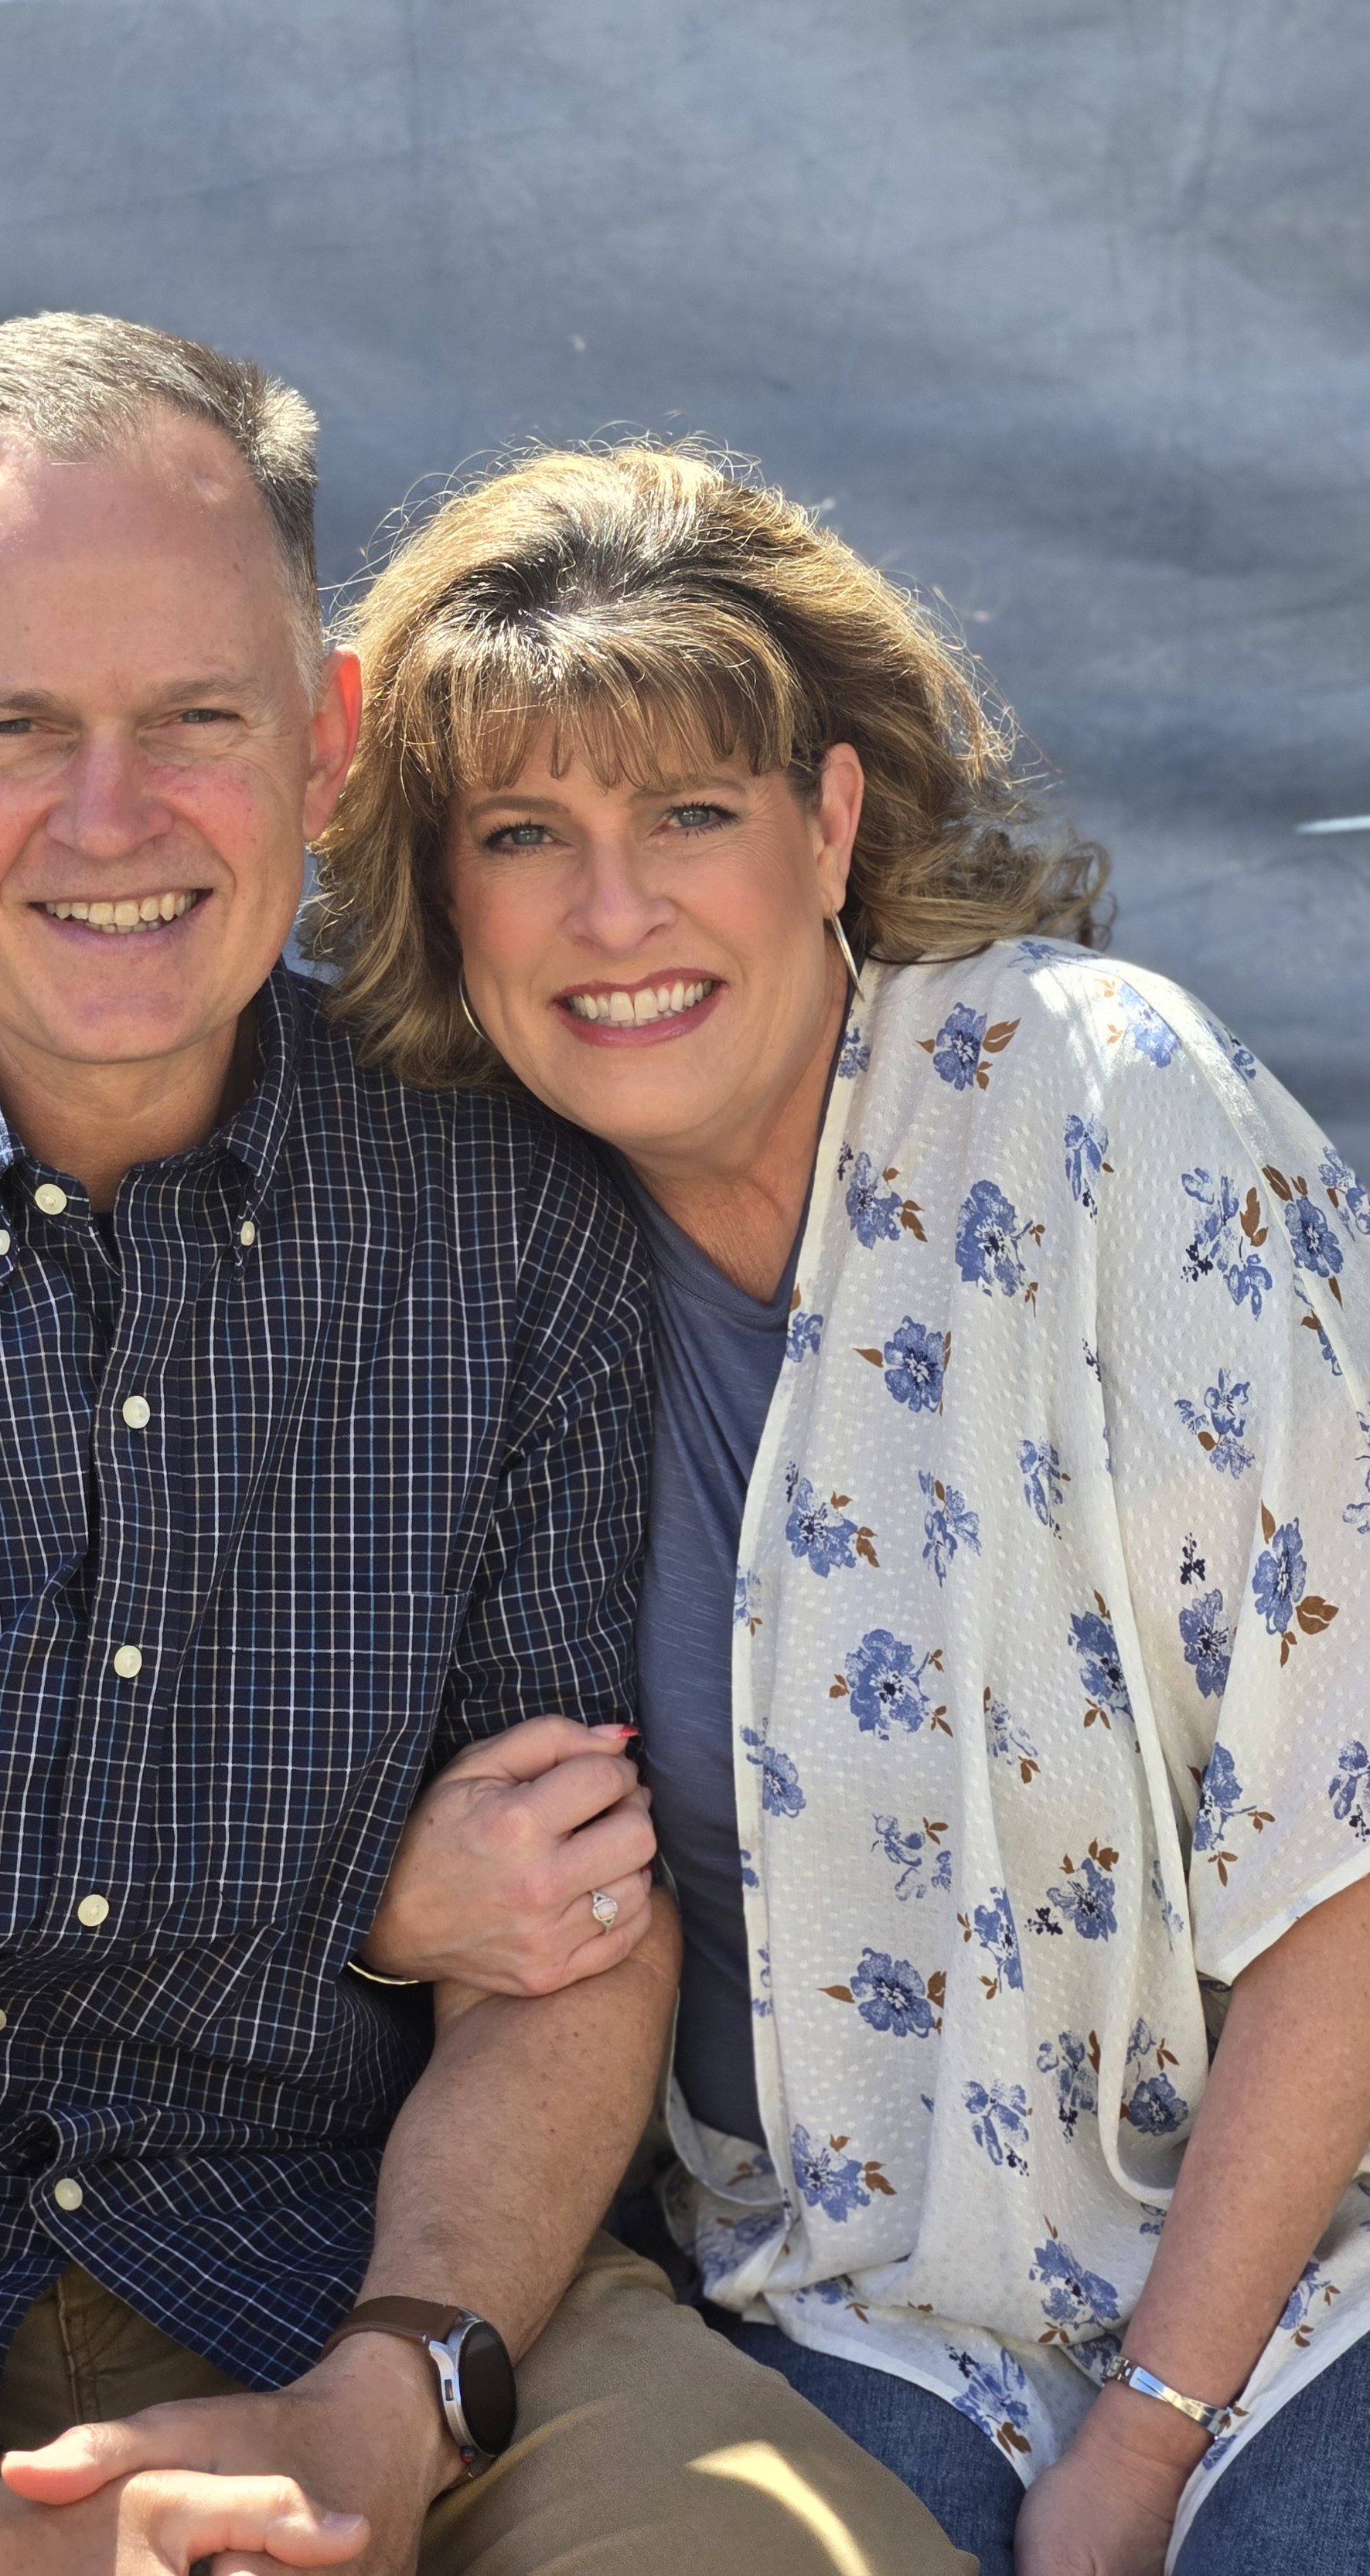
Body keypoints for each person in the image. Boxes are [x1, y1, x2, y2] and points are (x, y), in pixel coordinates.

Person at [0, 320, 969, 2576]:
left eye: (196, 720)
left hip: (361, 2262)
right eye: (16, 730)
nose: (110, 817)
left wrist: (393, 2392)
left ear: (327, 741)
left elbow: (565, 1949)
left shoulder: (510, 1229)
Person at [307, 441, 1370, 2576]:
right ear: (445, 895)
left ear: (831, 822)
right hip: (846, 2300)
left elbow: (1348, 1848)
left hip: (1307, 2259)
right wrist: (377, 1903)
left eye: (688, 813)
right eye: (525, 835)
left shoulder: (1100, 1107)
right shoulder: (462, 1263)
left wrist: (1142, 2451)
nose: (614, 913)